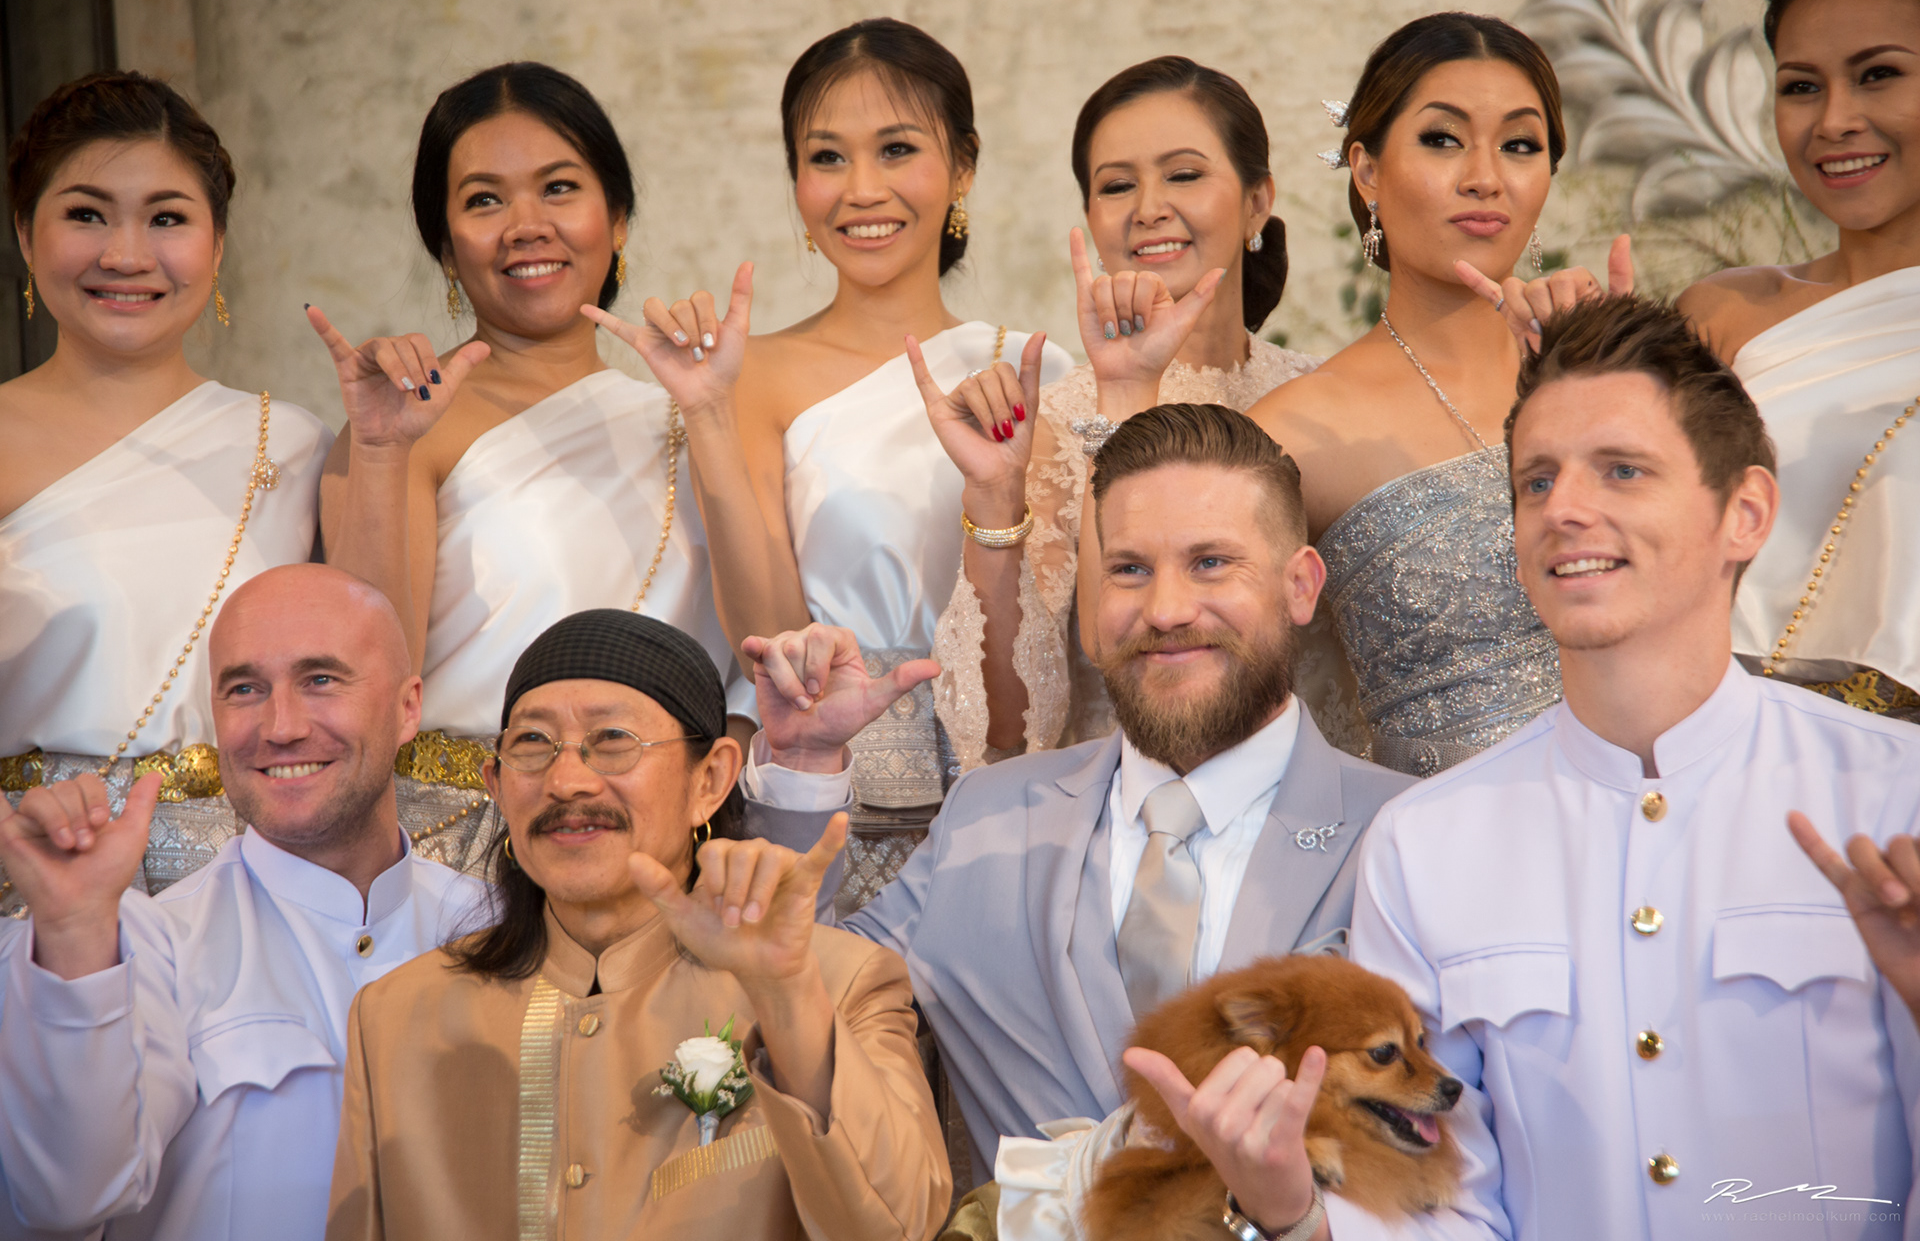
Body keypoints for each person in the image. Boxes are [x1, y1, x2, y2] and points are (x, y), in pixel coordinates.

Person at [1156, 294, 1920, 1241]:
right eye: (1536, 481)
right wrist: (1293, 1216)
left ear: (1746, 513)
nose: (1565, 510)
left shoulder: (1893, 790)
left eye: (1623, 470)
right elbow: (1448, 1204)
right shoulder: (1428, 842)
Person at [716, 404, 1415, 1190]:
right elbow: (787, 992)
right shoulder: (986, 818)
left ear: (1300, 586)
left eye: (1211, 563)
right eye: (1129, 570)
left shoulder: (1406, 831)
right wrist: (804, 762)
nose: (1166, 610)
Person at [586, 19, 1071, 912]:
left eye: (897, 149)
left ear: (963, 167)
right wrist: (708, 411)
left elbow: (1050, 653)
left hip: (1009, 801)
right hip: (823, 797)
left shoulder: (1033, 374)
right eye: (827, 158)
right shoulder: (747, 374)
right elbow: (767, 636)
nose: (862, 190)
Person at [324, 609, 949, 1240]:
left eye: (613, 740)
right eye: (533, 743)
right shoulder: (394, 1019)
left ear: (710, 780)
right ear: (497, 787)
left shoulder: (840, 984)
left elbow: (899, 1226)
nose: (567, 781)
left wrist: (786, 996)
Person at [313, 62, 744, 877]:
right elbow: (367, 678)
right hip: (456, 852)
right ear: (445, 247)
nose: (526, 226)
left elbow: (761, 649)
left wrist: (713, 413)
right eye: (485, 200)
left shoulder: (685, 416)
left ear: (618, 218)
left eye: (559, 189)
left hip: (649, 844)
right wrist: (381, 451)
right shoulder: (402, 426)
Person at [0, 565, 483, 1241]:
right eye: (245, 689)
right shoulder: (138, 946)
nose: (280, 727)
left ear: (408, 709)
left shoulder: (498, 930)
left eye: (321, 679)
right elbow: (68, 1201)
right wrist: (75, 930)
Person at [917, 57, 1345, 774]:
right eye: (1117, 185)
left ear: (1257, 202)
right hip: (1126, 814)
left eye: (1184, 175)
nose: (1148, 207)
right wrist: (994, 500)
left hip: (1318, 808)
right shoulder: (1056, 424)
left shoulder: (1328, 401)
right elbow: (1007, 727)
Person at [1248, 14, 1624, 777]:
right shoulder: (1298, 430)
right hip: (1439, 834)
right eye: (1443, 139)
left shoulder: (1612, 376)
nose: (1485, 177)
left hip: (1655, 805)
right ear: (1367, 171)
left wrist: (1623, 391)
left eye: (1519, 146)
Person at [0, 72, 330, 900]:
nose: (125, 255)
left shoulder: (290, 445)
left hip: (259, 883)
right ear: (24, 234)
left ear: (216, 246)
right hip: (36, 879)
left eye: (167, 218)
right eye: (86, 214)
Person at [1679, 0, 1920, 722]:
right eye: (1802, 86)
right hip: (1726, 742)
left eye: (1879, 75)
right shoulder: (1723, 315)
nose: (1834, 120)